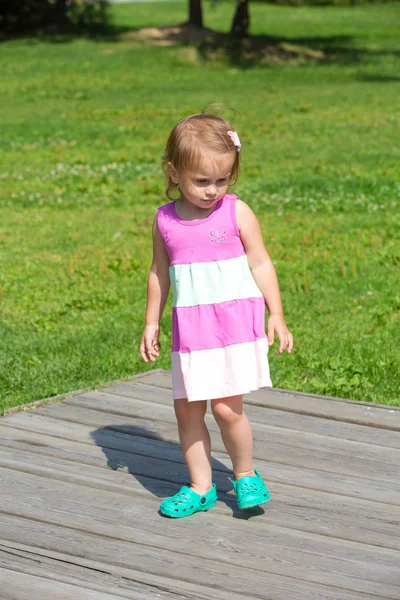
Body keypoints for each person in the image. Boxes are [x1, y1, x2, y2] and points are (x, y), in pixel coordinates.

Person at [140, 111, 293, 518]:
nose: (212, 191)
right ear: (174, 172)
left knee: (227, 409)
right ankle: (201, 486)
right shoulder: (165, 220)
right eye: (201, 181)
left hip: (231, 328)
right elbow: (159, 272)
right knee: (187, 410)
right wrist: (151, 321)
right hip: (191, 331)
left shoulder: (236, 212)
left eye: (221, 180)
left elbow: (261, 262)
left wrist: (275, 313)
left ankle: (245, 474)